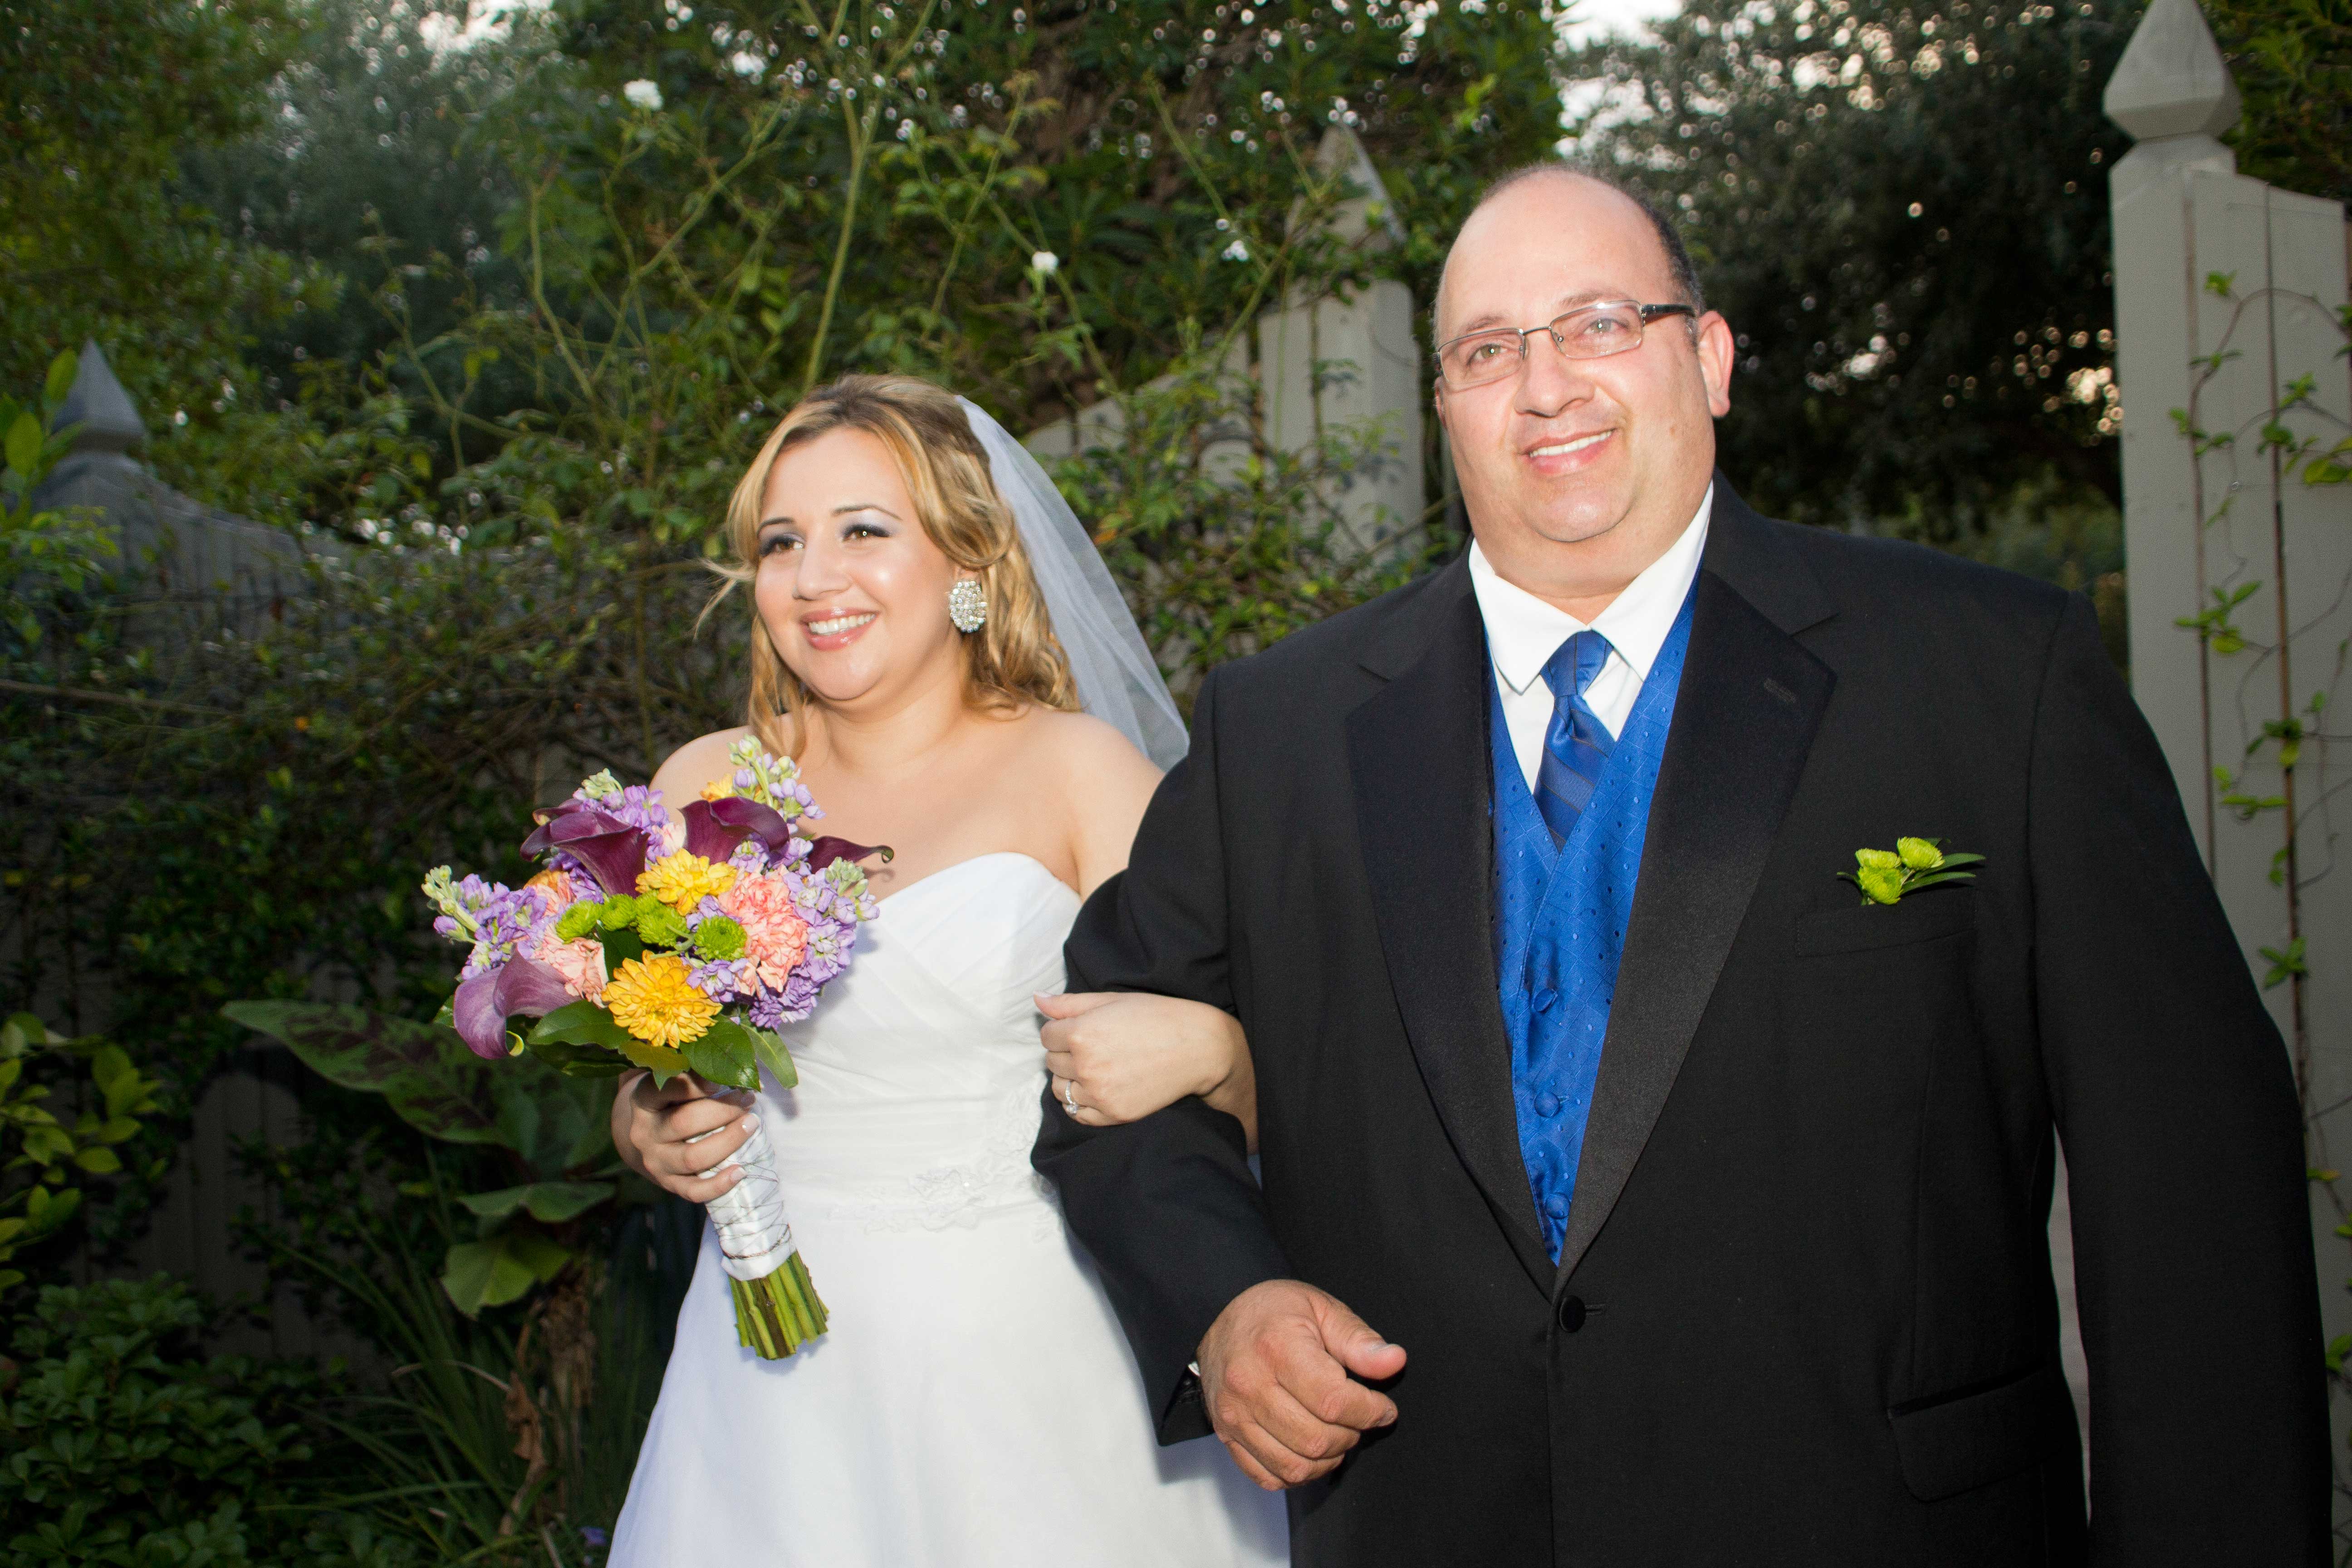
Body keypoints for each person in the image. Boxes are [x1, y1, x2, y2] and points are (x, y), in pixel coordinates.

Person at [1034, 164, 2328, 1564]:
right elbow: (1101, 1087)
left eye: (1599, 323)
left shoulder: (1991, 679)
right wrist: (1227, 1305)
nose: (1545, 387)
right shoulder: (1275, 730)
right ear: (1447, 409)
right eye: (1487, 352)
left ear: (1706, 360)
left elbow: (2193, 1195)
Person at [607, 374, 1287, 1567]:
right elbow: (653, 1063)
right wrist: (644, 1122)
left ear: (968, 560)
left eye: (864, 530)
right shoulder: (701, 789)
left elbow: (1279, 1088)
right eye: (782, 541)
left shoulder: (1080, 776)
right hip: (766, 1407)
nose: (816, 577)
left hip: (1036, 1387)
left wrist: (1224, 1053)